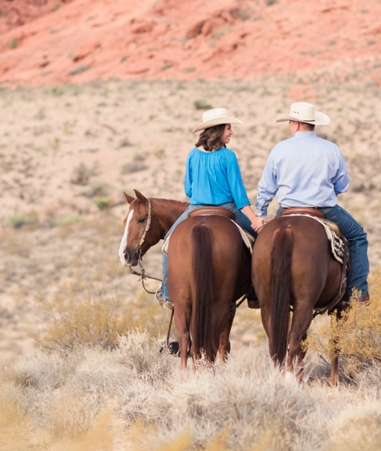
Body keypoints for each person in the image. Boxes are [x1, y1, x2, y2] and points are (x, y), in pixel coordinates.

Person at [255, 101, 370, 304]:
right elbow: (343, 184)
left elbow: (266, 187)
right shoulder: (331, 149)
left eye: (290, 122)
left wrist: (261, 213)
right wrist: (324, 191)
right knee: (358, 237)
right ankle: (357, 292)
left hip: (287, 210)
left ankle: (256, 290)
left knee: (263, 243)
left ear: (296, 124)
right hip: (324, 210)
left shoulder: (279, 149)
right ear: (312, 123)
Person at [158, 107, 266, 308]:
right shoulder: (228, 156)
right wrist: (255, 220)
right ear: (217, 130)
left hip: (195, 208)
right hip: (227, 208)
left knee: (168, 244)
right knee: (259, 240)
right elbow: (239, 195)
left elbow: (188, 189)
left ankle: (167, 294)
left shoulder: (192, 155)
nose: (231, 132)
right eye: (228, 128)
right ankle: (253, 292)